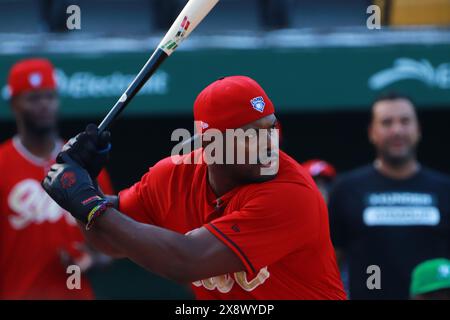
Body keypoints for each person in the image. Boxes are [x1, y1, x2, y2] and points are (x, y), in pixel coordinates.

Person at [42, 75, 346, 300]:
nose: (270, 144)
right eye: (251, 134)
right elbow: (109, 241)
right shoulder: (174, 176)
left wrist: (89, 202)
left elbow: (186, 261)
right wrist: (88, 186)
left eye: (272, 128)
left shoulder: (292, 193)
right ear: (212, 145)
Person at [0, 58, 114, 299]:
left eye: (49, 96)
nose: (44, 105)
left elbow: (112, 243)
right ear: (14, 104)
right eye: (33, 98)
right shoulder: (2, 163)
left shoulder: (85, 163)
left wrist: (94, 259)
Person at [328, 92, 450, 300]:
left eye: (405, 121)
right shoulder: (346, 189)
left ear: (418, 129)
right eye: (386, 122)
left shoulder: (445, 189)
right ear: (371, 132)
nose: (397, 130)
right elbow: (330, 264)